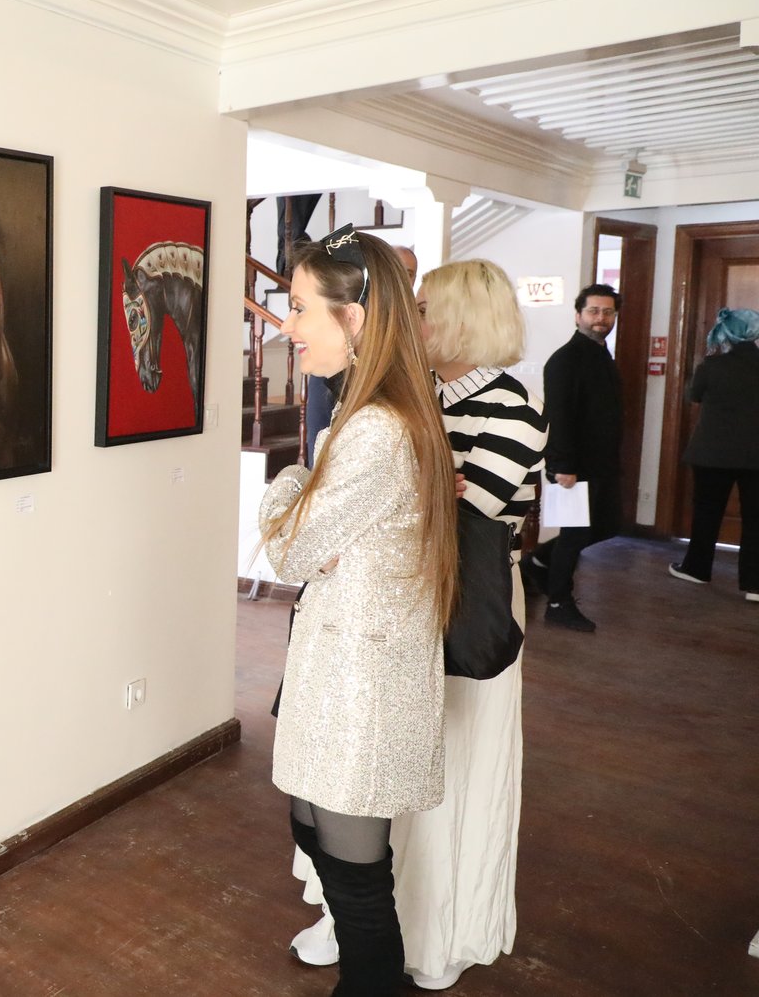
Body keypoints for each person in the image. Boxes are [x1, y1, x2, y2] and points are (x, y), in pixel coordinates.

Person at [287, 259, 547, 990]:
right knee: (365, 783)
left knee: (445, 778)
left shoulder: (512, 405)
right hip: (388, 603)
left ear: (464, 317)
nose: (407, 317)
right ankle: (352, 924)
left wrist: (392, 488)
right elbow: (377, 501)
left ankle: (437, 934)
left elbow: (459, 513)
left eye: (423, 307)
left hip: (465, 599)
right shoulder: (407, 394)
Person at [259, 225, 458, 996]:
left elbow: (288, 551)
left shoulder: (375, 427)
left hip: (359, 686)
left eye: (300, 307)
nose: (288, 325)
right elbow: (308, 544)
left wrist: (289, 478)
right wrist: (309, 499)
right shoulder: (369, 412)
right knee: (320, 837)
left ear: (356, 318)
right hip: (342, 670)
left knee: (356, 877)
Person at [530, 284, 623, 631]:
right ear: (578, 315)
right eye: (594, 311)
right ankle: (558, 603)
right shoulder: (565, 360)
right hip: (571, 466)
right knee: (573, 536)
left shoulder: (602, 355)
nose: (601, 318)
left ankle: (539, 562)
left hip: (601, 464)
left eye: (608, 312)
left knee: (607, 526)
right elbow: (559, 416)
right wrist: (562, 465)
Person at [668, 307, 759, 601]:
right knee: (756, 518)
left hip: (711, 453)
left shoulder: (711, 365)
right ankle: (755, 585)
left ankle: (697, 569)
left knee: (707, 512)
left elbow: (693, 395)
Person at [304, 245, 417, 462]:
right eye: (395, 270)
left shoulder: (414, 322)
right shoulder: (351, 313)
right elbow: (319, 427)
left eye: (408, 273)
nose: (400, 278)